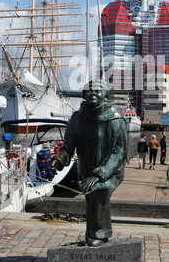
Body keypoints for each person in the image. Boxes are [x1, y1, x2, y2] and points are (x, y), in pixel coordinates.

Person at [49, 79, 127, 247]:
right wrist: (59, 159)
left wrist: (101, 173)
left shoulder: (116, 118)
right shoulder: (77, 119)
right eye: (89, 91)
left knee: (100, 191)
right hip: (86, 169)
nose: (93, 94)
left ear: (105, 94)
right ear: (83, 95)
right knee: (90, 197)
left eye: (97, 91)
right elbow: (68, 146)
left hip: (110, 170)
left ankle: (100, 233)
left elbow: (120, 153)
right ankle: (92, 234)